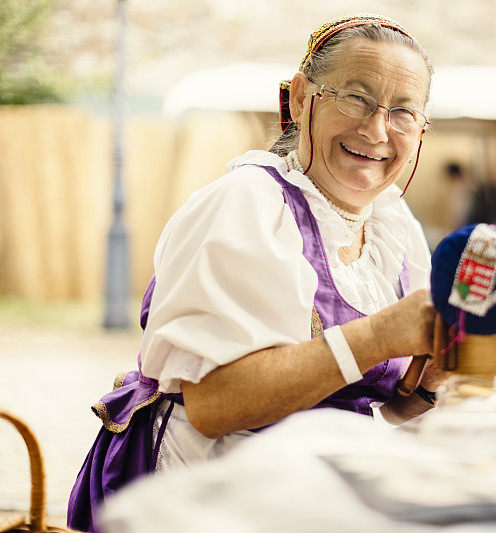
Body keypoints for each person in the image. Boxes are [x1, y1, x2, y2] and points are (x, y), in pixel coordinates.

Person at [68, 15, 445, 532]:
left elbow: (383, 403)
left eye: (402, 112)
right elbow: (215, 403)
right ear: (298, 98)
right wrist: (379, 335)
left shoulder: (392, 222)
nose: (377, 130)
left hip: (309, 489)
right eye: (355, 98)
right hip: (201, 495)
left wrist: (435, 377)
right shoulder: (246, 204)